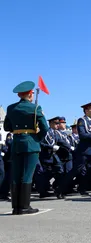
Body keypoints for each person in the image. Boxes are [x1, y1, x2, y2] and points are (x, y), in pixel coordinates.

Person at [4, 81, 49, 215]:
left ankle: (16, 207)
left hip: (17, 143)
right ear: (30, 94)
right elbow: (45, 128)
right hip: (31, 143)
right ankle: (24, 206)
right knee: (27, 175)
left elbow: (7, 127)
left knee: (16, 175)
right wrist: (37, 138)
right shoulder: (35, 108)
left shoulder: (11, 108)